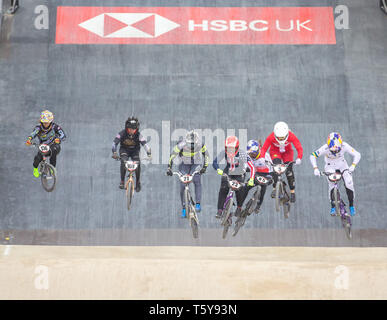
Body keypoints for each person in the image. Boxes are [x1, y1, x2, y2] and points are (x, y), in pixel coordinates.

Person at [310, 132, 361, 216]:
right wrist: (315, 168)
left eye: (337, 149)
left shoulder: (344, 145)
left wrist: (353, 165)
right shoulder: (325, 148)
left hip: (342, 165)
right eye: (332, 150)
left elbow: (357, 154)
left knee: (349, 183)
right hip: (330, 167)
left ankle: (351, 205)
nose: (335, 152)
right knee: (331, 184)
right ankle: (333, 206)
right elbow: (313, 155)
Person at [166, 130, 209, 218]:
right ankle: (184, 208)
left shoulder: (201, 144)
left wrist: (204, 167)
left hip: (195, 163)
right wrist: (169, 168)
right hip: (184, 164)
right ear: (186, 142)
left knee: (196, 179)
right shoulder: (181, 144)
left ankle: (197, 203)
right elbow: (172, 156)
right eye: (190, 144)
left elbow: (206, 155)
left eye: (193, 145)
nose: (192, 147)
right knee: (182, 185)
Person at [259, 121, 303, 203]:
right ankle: (275, 188)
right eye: (279, 138)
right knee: (276, 168)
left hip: (287, 152)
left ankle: (292, 191)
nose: (281, 139)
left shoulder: (291, 135)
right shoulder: (271, 137)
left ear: (287, 134)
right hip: (275, 152)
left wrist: (299, 158)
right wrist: (261, 157)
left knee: (289, 172)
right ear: (275, 135)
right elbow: (264, 148)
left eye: (283, 137)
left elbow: (299, 147)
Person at [213, 136, 255, 219]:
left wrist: (252, 179)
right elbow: (215, 162)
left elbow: (252, 167)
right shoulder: (224, 152)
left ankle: (239, 207)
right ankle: (220, 210)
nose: (230, 151)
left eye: (232, 149)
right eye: (228, 149)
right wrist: (218, 169)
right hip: (228, 171)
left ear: (237, 148)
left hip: (239, 172)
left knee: (239, 190)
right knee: (223, 189)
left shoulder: (242, 154)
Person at [112, 117, 151, 192]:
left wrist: (149, 153)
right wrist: (114, 152)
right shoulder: (122, 133)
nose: (132, 131)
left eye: (134, 129)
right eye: (130, 129)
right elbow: (114, 143)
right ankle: (122, 181)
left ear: (137, 129)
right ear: (127, 128)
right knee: (123, 161)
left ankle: (138, 183)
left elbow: (145, 144)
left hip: (135, 151)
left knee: (137, 163)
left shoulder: (139, 135)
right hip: (124, 150)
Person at [25, 109, 67, 177]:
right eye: (44, 122)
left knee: (54, 151)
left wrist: (58, 139)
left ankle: (53, 168)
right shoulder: (38, 127)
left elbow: (63, 136)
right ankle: (35, 168)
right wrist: (29, 139)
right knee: (38, 158)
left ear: (51, 122)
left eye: (47, 122)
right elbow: (34, 133)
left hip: (53, 145)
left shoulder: (55, 127)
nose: (45, 124)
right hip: (43, 146)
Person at [239, 140, 273, 214]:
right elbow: (245, 166)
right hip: (256, 174)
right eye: (250, 154)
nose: (252, 155)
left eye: (253, 153)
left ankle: (258, 206)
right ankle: (240, 206)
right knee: (245, 187)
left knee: (263, 188)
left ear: (258, 151)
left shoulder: (265, 156)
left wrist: (271, 177)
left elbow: (272, 167)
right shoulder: (247, 156)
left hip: (266, 174)